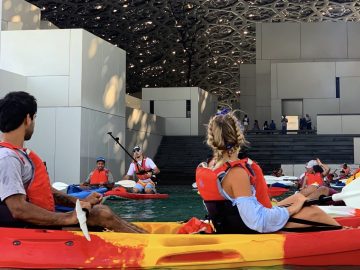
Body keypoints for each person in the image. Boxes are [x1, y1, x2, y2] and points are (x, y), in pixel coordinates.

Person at [0, 91, 146, 233]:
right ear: (28, 118)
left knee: (102, 211)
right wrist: (68, 218)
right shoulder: (8, 158)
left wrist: (78, 201)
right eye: (35, 117)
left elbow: (47, 192)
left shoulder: (19, 155)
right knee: (102, 214)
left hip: (42, 219)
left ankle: (148, 239)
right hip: (31, 229)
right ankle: (147, 246)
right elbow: (18, 209)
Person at [196, 111, 340, 234]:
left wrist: (294, 203)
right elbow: (257, 220)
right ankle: (346, 235)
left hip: (228, 225)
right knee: (313, 212)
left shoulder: (209, 166)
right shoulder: (236, 173)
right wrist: (292, 210)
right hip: (247, 229)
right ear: (240, 136)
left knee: (299, 200)